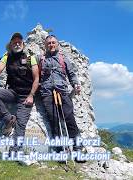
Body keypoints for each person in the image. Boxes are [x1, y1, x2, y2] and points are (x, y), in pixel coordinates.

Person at [0, 32, 39, 152]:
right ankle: (8, 119)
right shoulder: (6, 56)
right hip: (12, 93)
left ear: (23, 44)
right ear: (11, 45)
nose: (17, 44)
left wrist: (31, 95)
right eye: (14, 42)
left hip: (26, 96)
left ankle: (15, 150)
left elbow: (36, 78)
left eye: (19, 42)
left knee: (21, 123)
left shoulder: (30, 58)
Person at [39, 34, 85, 162]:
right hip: (47, 93)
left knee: (70, 119)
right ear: (45, 45)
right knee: (54, 121)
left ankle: (78, 148)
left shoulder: (63, 58)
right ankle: (60, 150)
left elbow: (71, 73)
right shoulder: (41, 59)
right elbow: (35, 76)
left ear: (57, 44)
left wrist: (75, 84)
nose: (51, 45)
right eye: (49, 43)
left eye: (53, 42)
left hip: (63, 91)